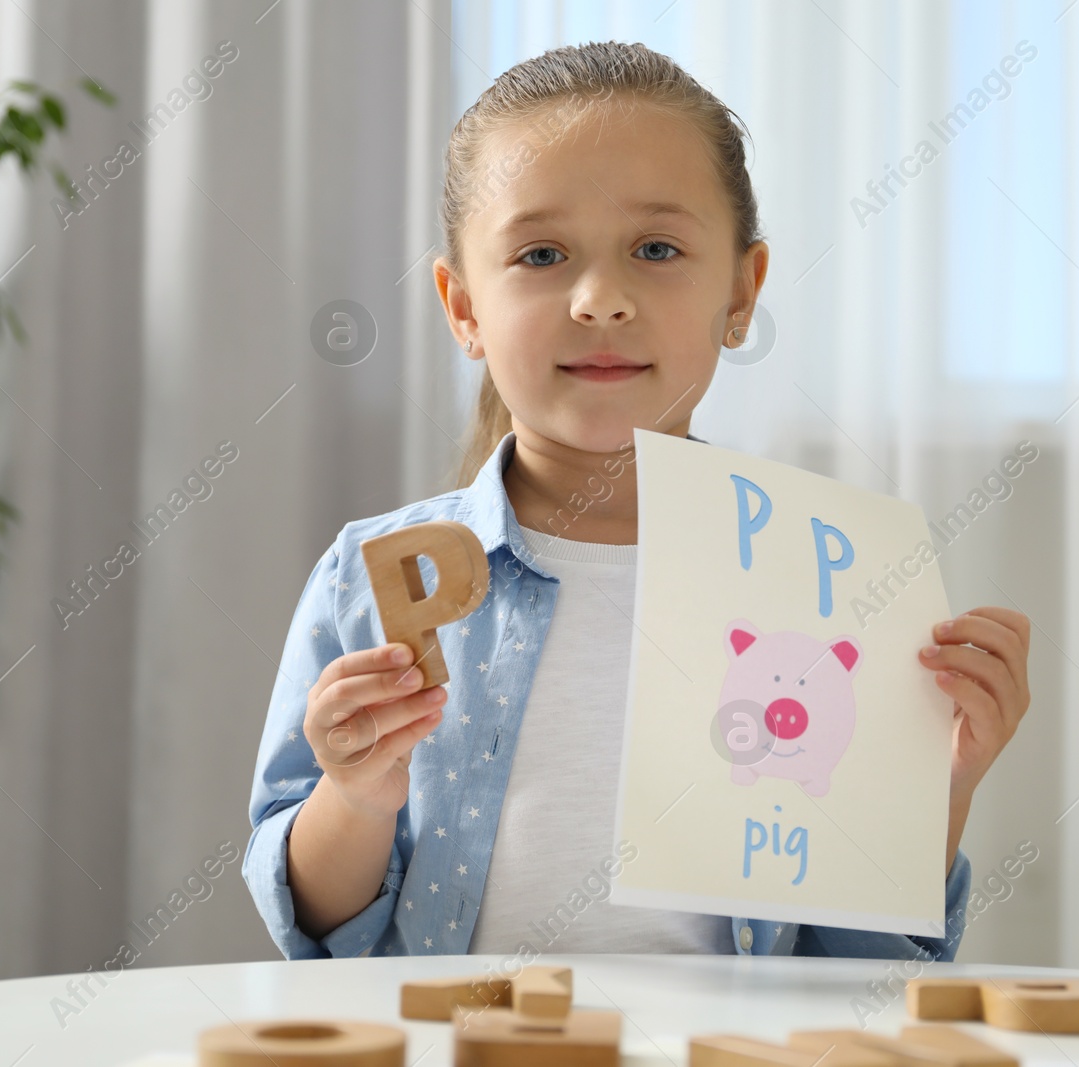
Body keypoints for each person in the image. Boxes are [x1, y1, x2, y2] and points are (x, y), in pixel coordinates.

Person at [243, 40, 1031, 963]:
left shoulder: (828, 582)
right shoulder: (369, 581)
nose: (601, 299)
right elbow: (315, 928)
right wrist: (358, 795)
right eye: (541, 254)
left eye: (656, 249)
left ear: (740, 292)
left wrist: (933, 791)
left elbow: (851, 964)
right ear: (463, 308)